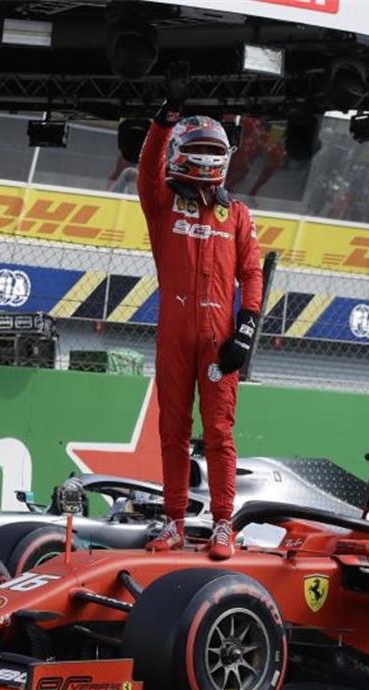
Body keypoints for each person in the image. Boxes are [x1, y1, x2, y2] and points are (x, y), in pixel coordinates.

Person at [136, 80, 263, 560]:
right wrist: (163, 119)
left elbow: (252, 274)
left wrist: (246, 330)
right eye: (199, 149)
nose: (206, 157)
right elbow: (148, 170)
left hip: (219, 341)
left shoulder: (238, 214)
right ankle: (172, 523)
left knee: (219, 434)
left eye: (213, 150)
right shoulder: (163, 205)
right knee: (171, 429)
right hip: (173, 335)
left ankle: (223, 524)